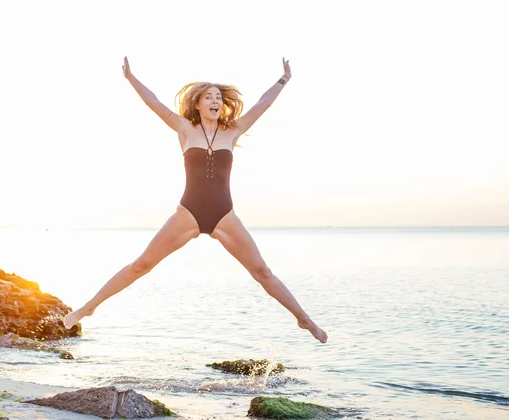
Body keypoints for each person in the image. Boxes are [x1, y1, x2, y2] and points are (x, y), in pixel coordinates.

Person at [64, 57, 327, 344]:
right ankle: (89, 307)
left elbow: (263, 104)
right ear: (198, 104)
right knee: (141, 265)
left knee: (262, 271)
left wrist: (283, 79)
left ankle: (304, 319)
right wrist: (131, 78)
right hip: (188, 212)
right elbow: (153, 101)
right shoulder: (184, 129)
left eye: (218, 97)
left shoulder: (233, 130)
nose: (214, 100)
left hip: (224, 215)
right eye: (208, 97)